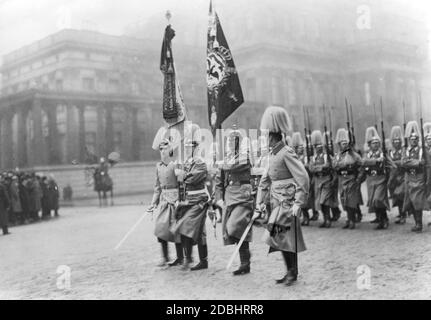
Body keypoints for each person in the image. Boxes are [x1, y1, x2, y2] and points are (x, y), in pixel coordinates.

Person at [256, 106, 309, 287]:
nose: (266, 140)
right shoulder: (272, 155)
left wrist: (299, 202)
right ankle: (290, 271)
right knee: (282, 238)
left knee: (282, 237)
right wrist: (260, 204)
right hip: (275, 203)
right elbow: (265, 181)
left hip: (287, 204)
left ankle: (292, 272)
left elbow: (303, 177)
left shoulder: (286, 152)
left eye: (267, 136)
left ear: (274, 136)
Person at [214, 126, 254, 276]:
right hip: (229, 198)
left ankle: (245, 260)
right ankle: (245, 262)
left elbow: (234, 166)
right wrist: (218, 199)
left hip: (243, 197)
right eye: (229, 141)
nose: (231, 143)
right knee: (235, 232)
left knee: (234, 227)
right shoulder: (225, 158)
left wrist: (221, 162)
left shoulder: (245, 156)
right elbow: (219, 181)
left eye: (234, 140)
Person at [171, 124, 209, 271]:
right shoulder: (187, 162)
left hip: (198, 201)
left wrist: (182, 175)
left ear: (196, 147)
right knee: (187, 229)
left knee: (196, 230)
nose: (187, 149)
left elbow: (192, 179)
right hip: (187, 201)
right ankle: (189, 258)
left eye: (190, 146)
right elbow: (182, 184)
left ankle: (202, 260)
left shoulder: (200, 162)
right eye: (186, 146)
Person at [147, 138, 183, 267]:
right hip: (164, 201)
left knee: (176, 229)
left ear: (171, 150)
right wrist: (153, 203)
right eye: (161, 149)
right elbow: (157, 187)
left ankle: (181, 257)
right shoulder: (158, 166)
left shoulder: (176, 164)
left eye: (165, 149)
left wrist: (180, 199)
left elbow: (181, 184)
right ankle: (165, 257)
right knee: (160, 228)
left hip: (175, 201)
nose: (162, 152)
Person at [333, 128, 364, 230]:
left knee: (351, 201)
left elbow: (361, 164)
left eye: (346, 143)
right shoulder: (338, 155)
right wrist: (340, 164)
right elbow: (334, 165)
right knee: (344, 200)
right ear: (339, 144)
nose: (345, 145)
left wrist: (358, 178)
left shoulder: (353, 154)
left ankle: (352, 220)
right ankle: (349, 218)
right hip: (342, 179)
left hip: (351, 179)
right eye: (343, 143)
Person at [362, 127, 392, 230]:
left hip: (381, 179)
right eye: (373, 143)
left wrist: (384, 160)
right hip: (371, 179)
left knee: (378, 199)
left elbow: (391, 164)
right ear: (369, 145)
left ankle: (384, 219)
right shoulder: (367, 154)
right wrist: (376, 161)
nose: (375, 145)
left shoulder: (383, 153)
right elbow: (364, 162)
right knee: (373, 201)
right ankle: (380, 218)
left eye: (377, 143)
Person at [401, 121, 427, 233]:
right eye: (412, 139)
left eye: (416, 139)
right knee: (411, 201)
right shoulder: (406, 150)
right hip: (409, 178)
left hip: (419, 177)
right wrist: (417, 162)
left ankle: (419, 224)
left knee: (417, 201)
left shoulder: (422, 151)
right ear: (409, 140)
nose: (414, 141)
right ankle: (417, 222)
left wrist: (417, 163)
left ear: (418, 140)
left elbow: (425, 163)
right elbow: (403, 162)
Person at [308, 130, 337, 228]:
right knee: (320, 202)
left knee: (325, 201)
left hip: (326, 180)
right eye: (315, 146)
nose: (317, 148)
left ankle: (328, 219)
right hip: (317, 181)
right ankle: (325, 219)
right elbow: (311, 168)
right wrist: (321, 167)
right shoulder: (313, 157)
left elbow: (331, 165)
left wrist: (321, 167)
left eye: (319, 145)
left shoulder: (326, 156)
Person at [291, 132, 311, 226]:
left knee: (304, 201)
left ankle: (306, 217)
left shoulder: (306, 158)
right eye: (299, 147)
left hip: (305, 181)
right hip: (295, 182)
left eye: (302, 146)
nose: (302, 148)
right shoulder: (294, 158)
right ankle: (301, 217)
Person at [388, 126, 407, 224]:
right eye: (394, 141)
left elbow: (404, 162)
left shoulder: (404, 150)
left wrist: (395, 163)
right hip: (393, 176)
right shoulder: (390, 151)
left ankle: (404, 214)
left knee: (401, 194)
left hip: (403, 175)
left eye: (398, 141)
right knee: (396, 196)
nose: (396, 143)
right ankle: (402, 212)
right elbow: (388, 162)